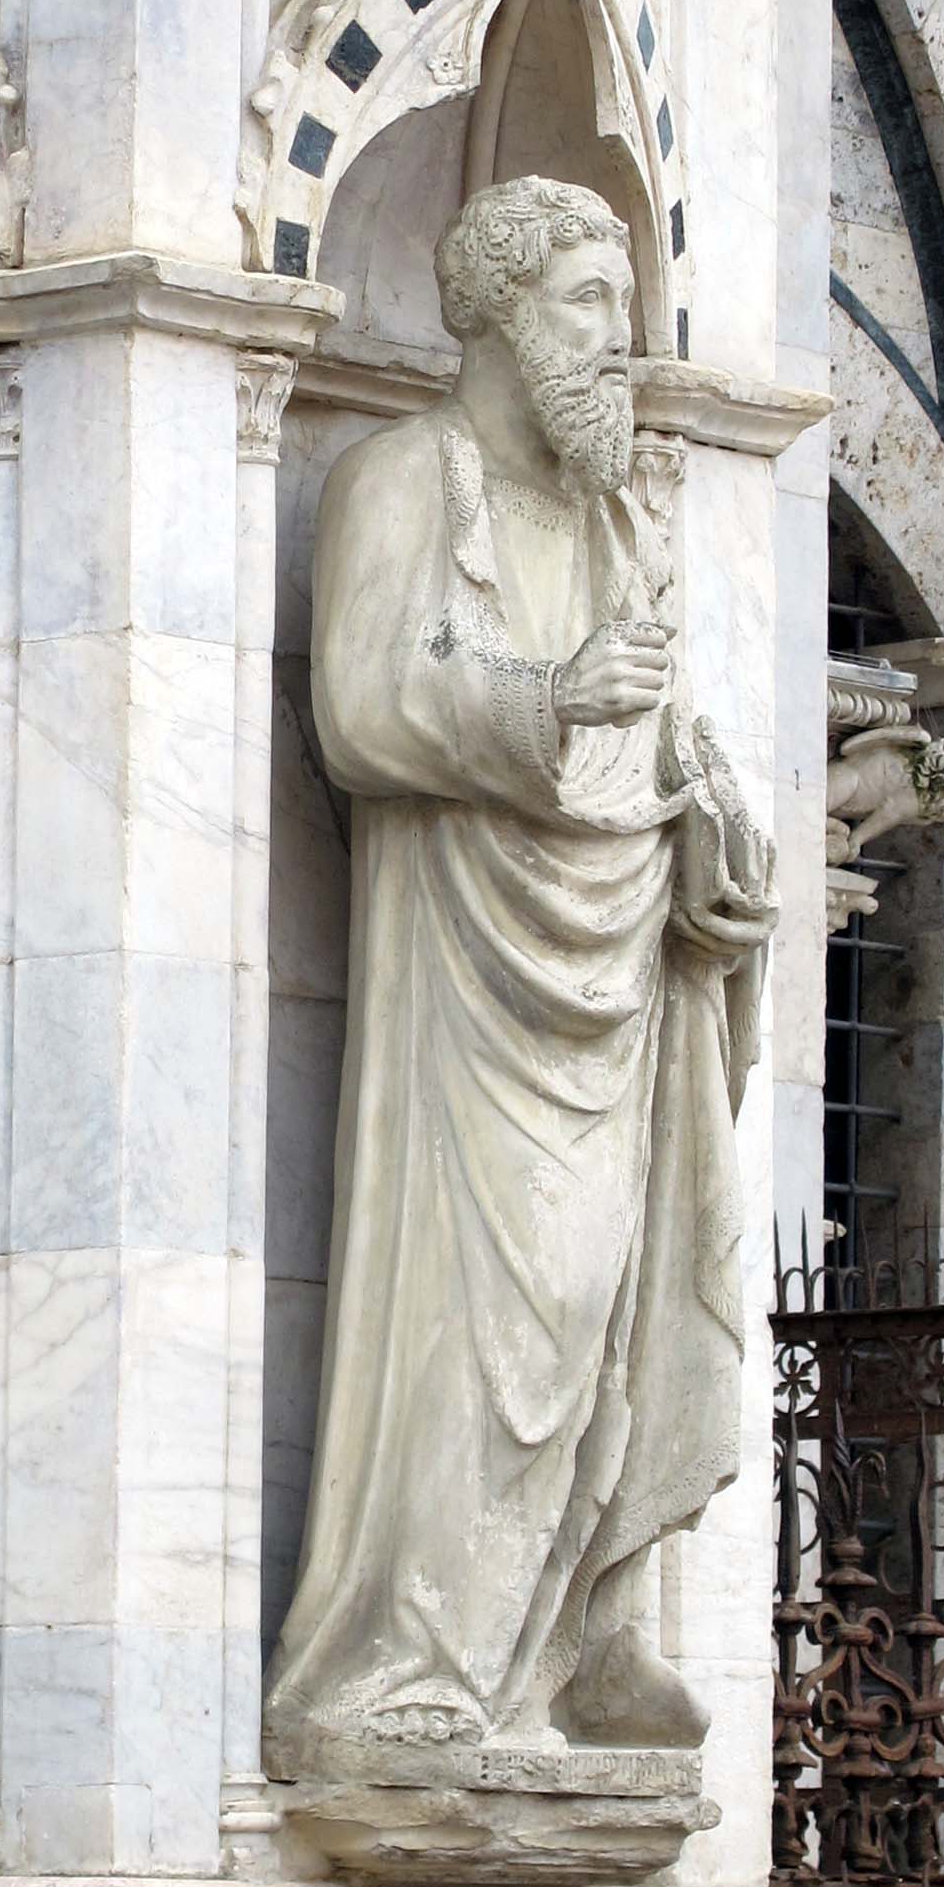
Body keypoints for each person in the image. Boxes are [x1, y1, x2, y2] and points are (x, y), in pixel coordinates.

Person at [264, 176, 775, 1771]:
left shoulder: (621, 518)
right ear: (485, 311)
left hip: (614, 975)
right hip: (467, 984)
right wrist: (546, 697)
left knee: (601, 1312)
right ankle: (410, 1663)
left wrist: (709, 823)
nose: (610, 341)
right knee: (484, 1315)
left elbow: (663, 746)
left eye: (620, 309)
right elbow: (359, 704)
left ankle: (563, 1640)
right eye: (578, 304)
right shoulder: (397, 477)